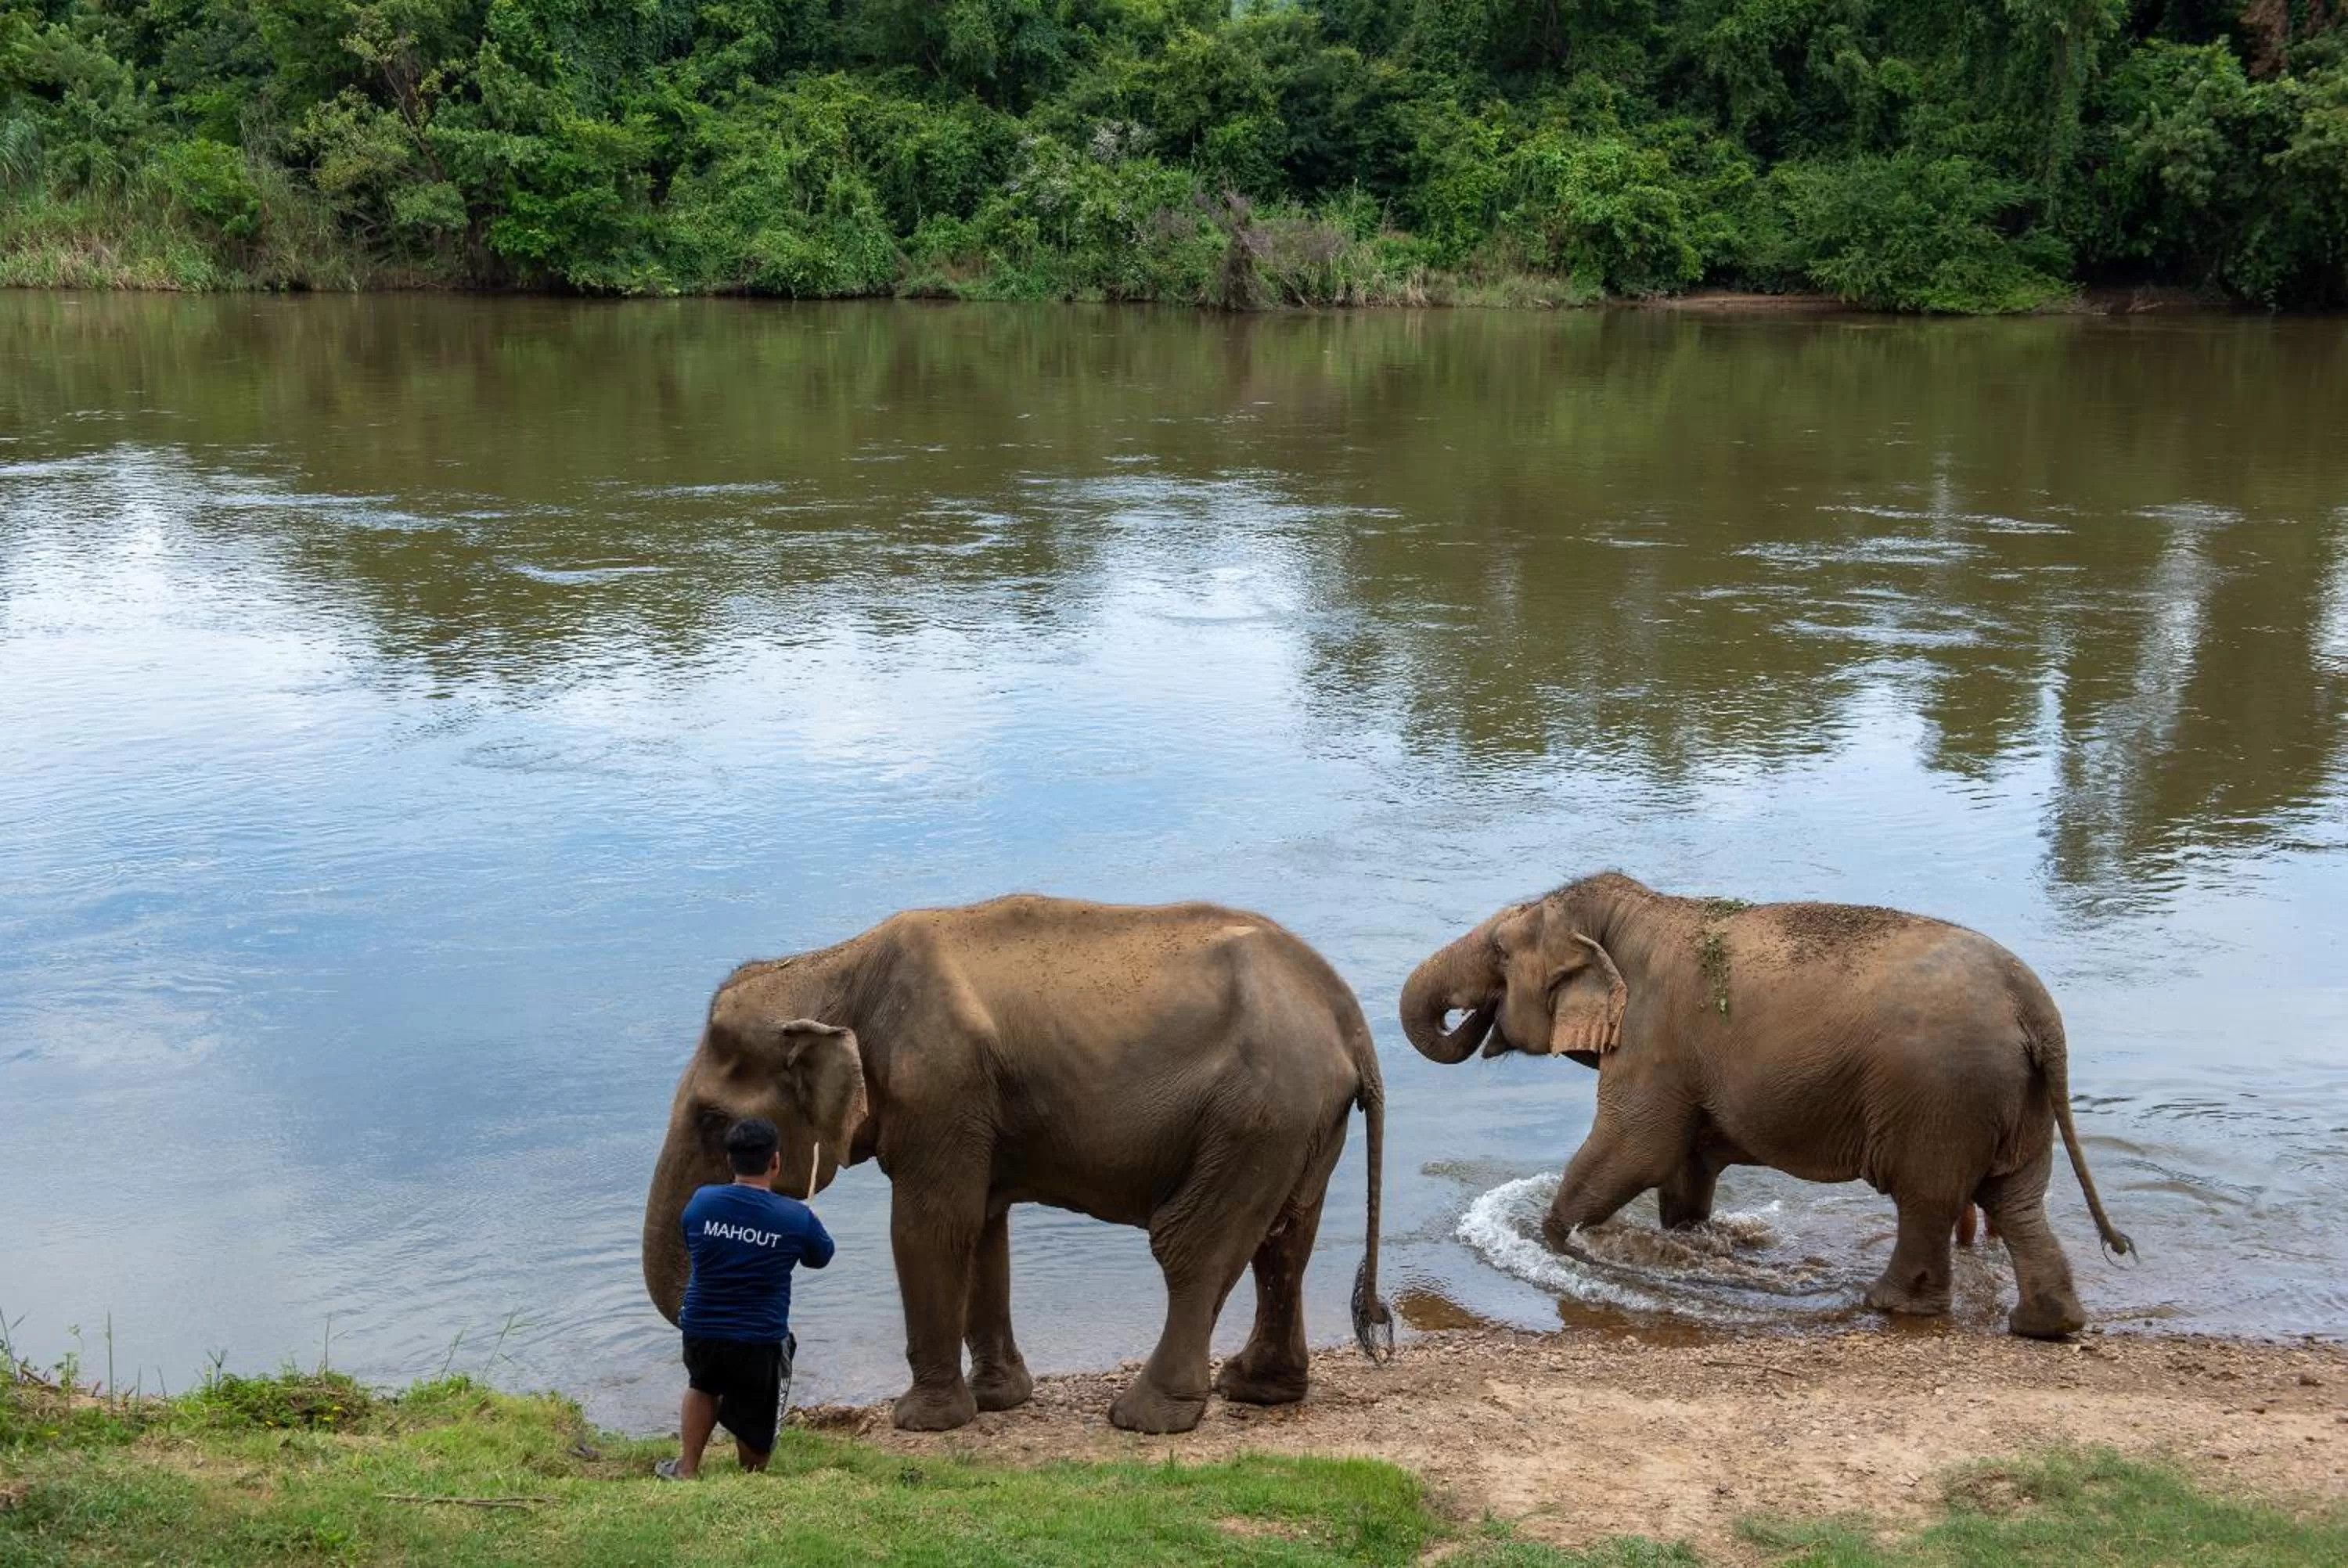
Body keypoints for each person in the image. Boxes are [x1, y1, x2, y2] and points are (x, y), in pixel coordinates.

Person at [655, 1117, 834, 1480]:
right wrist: (807, 1224)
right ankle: (749, 1476)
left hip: (701, 1329)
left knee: (702, 1385)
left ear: (730, 1161)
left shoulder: (702, 1202)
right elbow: (821, 1257)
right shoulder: (795, 1217)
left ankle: (687, 1467)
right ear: (775, 1162)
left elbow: (692, 1241)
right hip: (758, 1339)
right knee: (757, 1417)